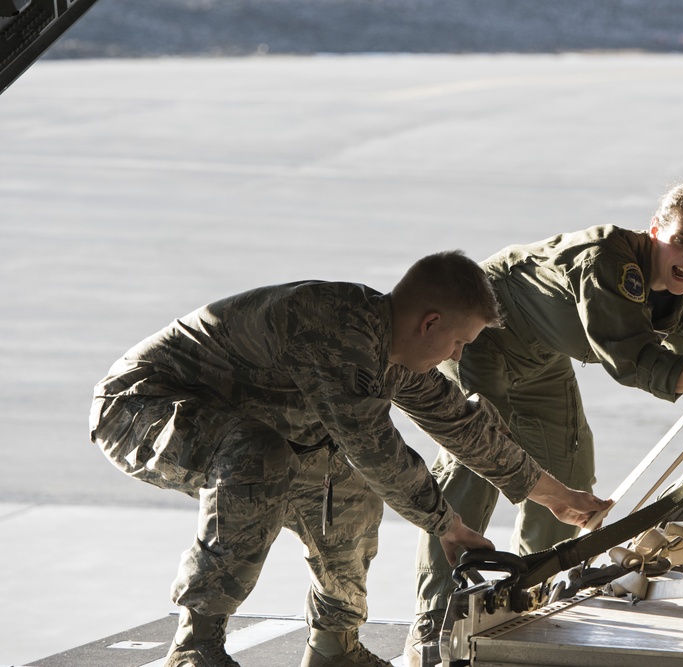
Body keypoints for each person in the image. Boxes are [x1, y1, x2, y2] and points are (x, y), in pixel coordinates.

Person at [88, 251, 610, 667]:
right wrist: (449, 526)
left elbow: (464, 428)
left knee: (350, 485)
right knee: (263, 458)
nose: (456, 356)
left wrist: (558, 498)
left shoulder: (389, 345)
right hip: (143, 408)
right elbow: (376, 448)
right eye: (458, 342)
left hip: (249, 423)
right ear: (430, 322)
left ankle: (334, 645)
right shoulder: (336, 333)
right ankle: (195, 646)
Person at [408, 182, 683, 665]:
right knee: (479, 461)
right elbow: (636, 362)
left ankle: (535, 599)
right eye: (682, 241)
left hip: (541, 357)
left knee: (570, 476)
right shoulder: (610, 262)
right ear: (655, 231)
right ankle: (435, 620)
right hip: (485, 334)